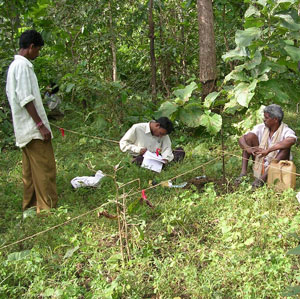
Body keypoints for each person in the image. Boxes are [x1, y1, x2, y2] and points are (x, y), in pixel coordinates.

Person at [6, 30, 58, 214]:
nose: (38, 53)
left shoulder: (15, 66)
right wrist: (40, 125)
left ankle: (31, 205)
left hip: (25, 129)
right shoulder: (22, 67)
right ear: (30, 47)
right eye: (38, 50)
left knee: (30, 172)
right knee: (45, 168)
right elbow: (26, 99)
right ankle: (46, 207)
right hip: (32, 129)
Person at [236, 104, 297, 188]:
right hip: (260, 162)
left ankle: (261, 179)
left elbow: (291, 140)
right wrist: (248, 148)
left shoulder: (286, 130)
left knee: (286, 147)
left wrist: (268, 150)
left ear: (275, 119)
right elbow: (242, 139)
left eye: (266, 118)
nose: (264, 120)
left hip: (276, 166)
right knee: (249, 137)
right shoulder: (261, 127)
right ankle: (243, 174)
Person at [119, 117, 185, 166]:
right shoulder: (137, 128)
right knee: (138, 161)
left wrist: (166, 159)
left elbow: (167, 148)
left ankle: (161, 165)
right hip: (141, 157)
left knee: (180, 151)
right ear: (157, 125)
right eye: (161, 133)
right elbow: (123, 144)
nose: (161, 136)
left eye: (163, 135)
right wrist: (138, 150)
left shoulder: (163, 134)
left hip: (157, 157)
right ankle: (160, 167)